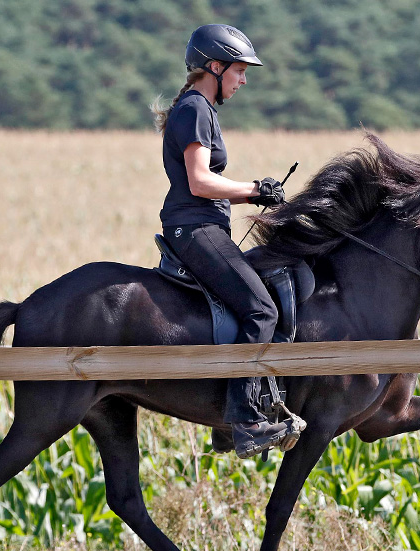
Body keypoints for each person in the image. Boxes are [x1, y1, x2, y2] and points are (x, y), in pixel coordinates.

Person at [150, 24, 297, 458]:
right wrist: (254, 189)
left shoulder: (199, 108)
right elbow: (199, 181)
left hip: (203, 227)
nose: (244, 79)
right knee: (261, 309)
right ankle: (244, 424)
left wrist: (256, 190)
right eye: (239, 70)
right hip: (195, 228)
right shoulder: (195, 108)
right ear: (215, 67)